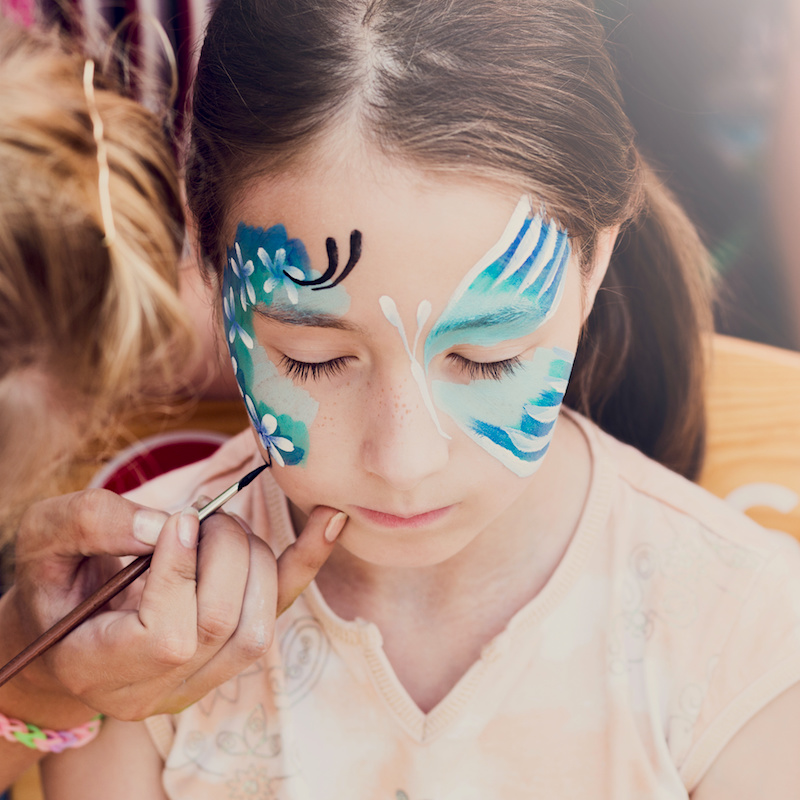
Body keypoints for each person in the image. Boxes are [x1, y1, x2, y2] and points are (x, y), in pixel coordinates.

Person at [20, 0, 800, 796]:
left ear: (594, 262)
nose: (403, 461)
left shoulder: (745, 634)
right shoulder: (137, 632)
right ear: (213, 260)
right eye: (316, 359)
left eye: (487, 358)